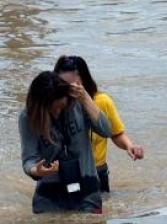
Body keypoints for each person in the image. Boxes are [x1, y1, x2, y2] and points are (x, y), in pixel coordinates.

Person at [19, 71, 112, 214]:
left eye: (61, 107)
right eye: (51, 109)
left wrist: (85, 97)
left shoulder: (78, 103)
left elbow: (106, 131)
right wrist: (36, 171)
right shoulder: (28, 117)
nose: (56, 112)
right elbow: (29, 159)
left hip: (87, 190)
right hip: (49, 196)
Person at [53, 55, 145, 193]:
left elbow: (115, 133)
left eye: (73, 86)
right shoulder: (53, 107)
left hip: (96, 172)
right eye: (63, 85)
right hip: (63, 173)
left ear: (84, 82)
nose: (68, 91)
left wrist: (129, 146)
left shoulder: (101, 101)